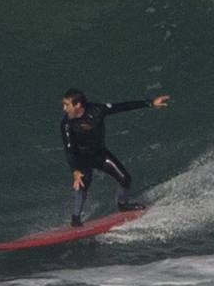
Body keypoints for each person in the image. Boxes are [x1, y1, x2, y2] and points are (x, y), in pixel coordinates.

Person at [60, 88, 170, 226]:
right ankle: (75, 219)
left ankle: (123, 205)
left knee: (125, 178)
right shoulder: (66, 124)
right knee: (82, 184)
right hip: (82, 159)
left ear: (78, 105)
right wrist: (75, 170)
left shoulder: (97, 110)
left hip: (100, 154)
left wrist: (150, 103)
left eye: (66, 105)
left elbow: (122, 106)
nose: (64, 109)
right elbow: (69, 150)